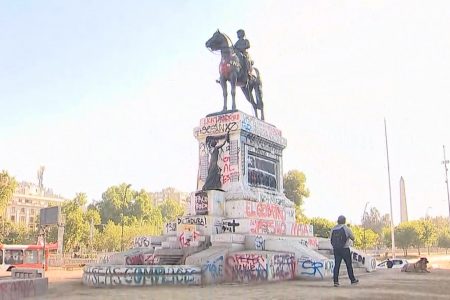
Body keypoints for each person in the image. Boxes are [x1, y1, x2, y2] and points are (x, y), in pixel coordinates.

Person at [330, 215, 359, 287]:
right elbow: (353, 237)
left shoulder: (333, 229)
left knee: (337, 265)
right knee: (349, 265)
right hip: (345, 249)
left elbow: (331, 239)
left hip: (336, 249)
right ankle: (352, 280)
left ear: (338, 221)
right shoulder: (346, 228)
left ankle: (335, 281)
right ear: (344, 221)